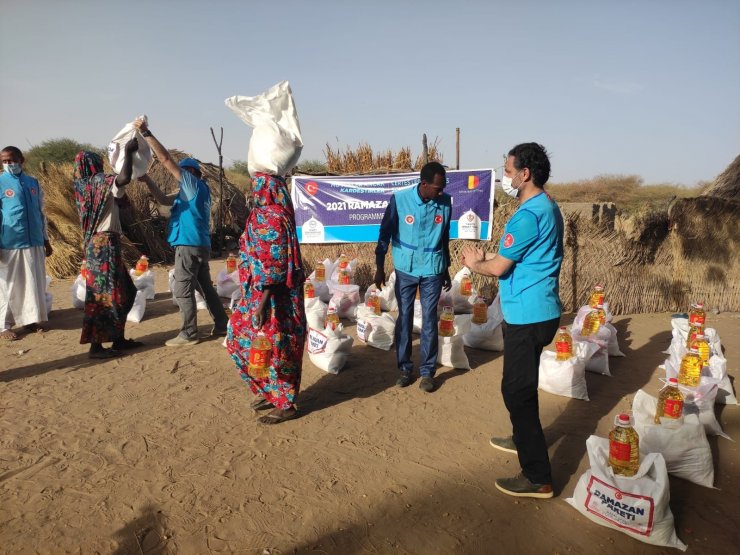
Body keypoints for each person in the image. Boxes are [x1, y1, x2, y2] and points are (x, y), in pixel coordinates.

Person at [461, 142, 563, 499]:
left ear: (525, 174)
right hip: (543, 310)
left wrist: (475, 263)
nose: (504, 176)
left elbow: (501, 267)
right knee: (523, 383)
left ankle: (538, 477)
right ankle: (523, 437)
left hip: (527, 315)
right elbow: (519, 255)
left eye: (507, 171)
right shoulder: (547, 206)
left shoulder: (527, 215)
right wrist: (490, 256)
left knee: (515, 391)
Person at [133, 118, 228, 346]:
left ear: (190, 174)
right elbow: (163, 200)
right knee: (204, 286)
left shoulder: (192, 184)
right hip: (200, 245)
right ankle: (222, 324)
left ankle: (189, 333)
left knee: (182, 288)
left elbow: (165, 159)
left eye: (183, 172)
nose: (180, 175)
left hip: (188, 244)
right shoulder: (195, 191)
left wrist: (146, 133)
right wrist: (147, 180)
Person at [225, 173, 307, 424]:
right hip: (257, 295)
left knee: (280, 348)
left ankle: (286, 403)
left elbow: (274, 264)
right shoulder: (263, 215)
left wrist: (262, 304)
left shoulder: (272, 218)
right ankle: (269, 390)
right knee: (240, 340)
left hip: (273, 298)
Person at [375, 161, 452, 393]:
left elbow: (445, 237)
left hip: (433, 269)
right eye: (438, 187)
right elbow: (384, 234)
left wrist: (446, 267)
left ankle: (428, 371)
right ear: (424, 184)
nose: (441, 191)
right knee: (405, 317)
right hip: (406, 268)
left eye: (443, 187)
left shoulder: (445, 202)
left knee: (429, 318)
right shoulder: (400, 200)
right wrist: (379, 267)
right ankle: (405, 368)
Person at [73, 142, 143, 358]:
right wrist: (129, 154)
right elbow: (123, 178)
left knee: (125, 291)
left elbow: (120, 197)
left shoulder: (83, 187)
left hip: (100, 245)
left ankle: (118, 338)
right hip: (103, 244)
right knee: (103, 296)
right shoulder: (98, 181)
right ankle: (96, 347)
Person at [0, 146, 53, 340]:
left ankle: (30, 319)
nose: (8, 164)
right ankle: (3, 326)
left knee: (33, 283)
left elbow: (41, 213)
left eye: (12, 160)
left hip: (35, 242)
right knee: (8, 285)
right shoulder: (0, 182)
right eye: (4, 161)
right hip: (9, 242)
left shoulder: (33, 183)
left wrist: (46, 240)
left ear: (21, 160)